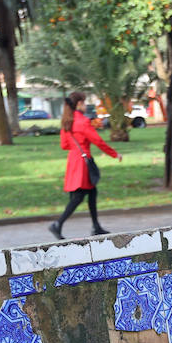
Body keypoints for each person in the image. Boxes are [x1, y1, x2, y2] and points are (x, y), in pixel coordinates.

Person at [49, 92, 121, 239]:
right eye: (85, 102)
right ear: (80, 103)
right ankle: (57, 224)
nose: (86, 105)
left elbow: (64, 145)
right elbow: (98, 141)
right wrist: (114, 154)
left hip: (74, 161)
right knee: (78, 197)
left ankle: (96, 226)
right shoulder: (82, 122)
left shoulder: (67, 122)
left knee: (92, 192)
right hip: (83, 161)